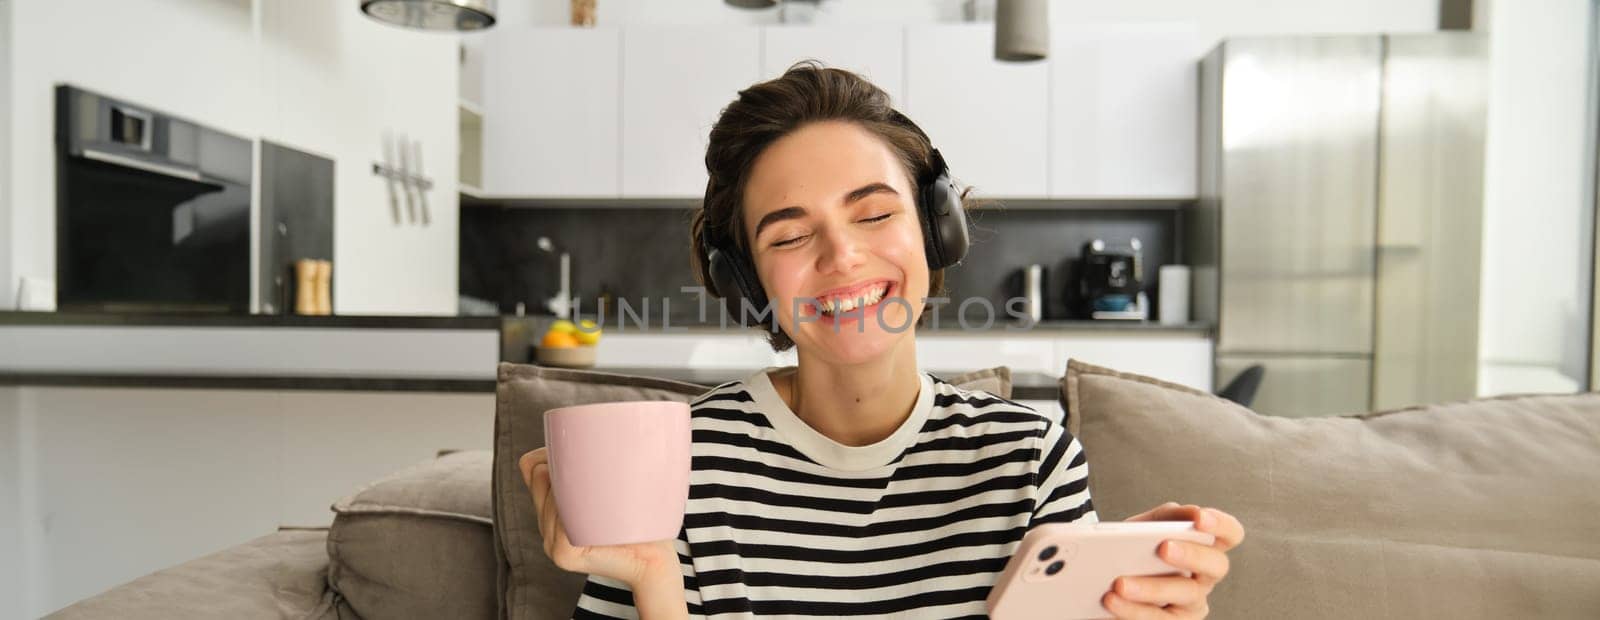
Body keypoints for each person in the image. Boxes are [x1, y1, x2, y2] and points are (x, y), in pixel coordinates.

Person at [520, 62, 1245, 619]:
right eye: (792, 234)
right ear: (746, 278)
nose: (841, 258)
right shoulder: (674, 465)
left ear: (936, 230)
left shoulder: (1030, 462)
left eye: (872, 215)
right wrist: (652, 578)